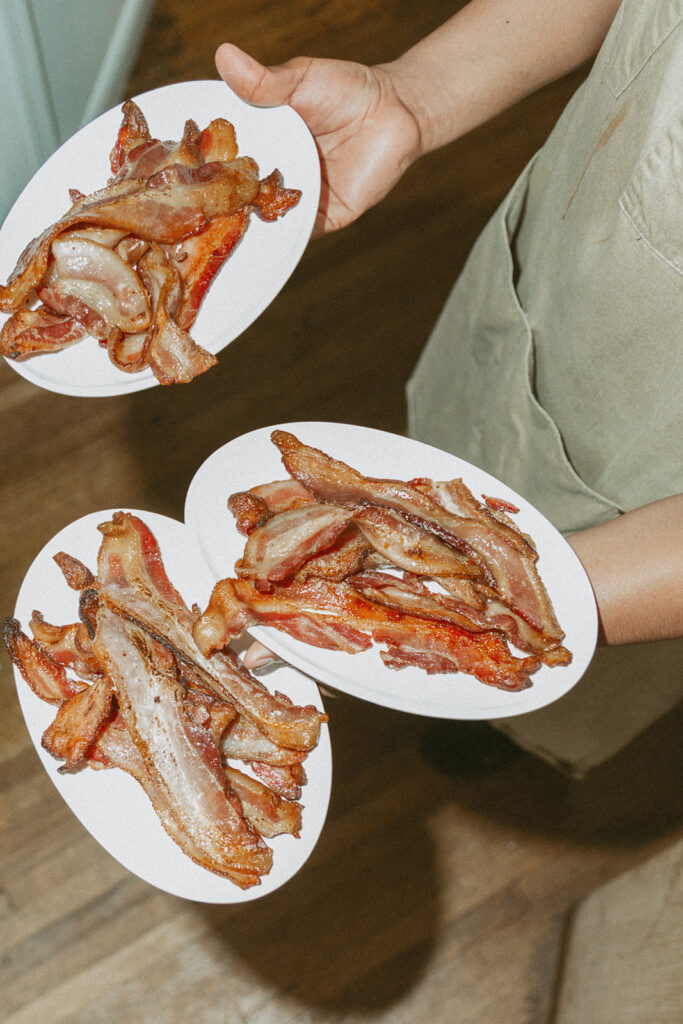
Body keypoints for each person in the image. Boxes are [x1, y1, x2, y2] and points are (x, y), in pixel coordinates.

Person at [215, 0, 683, 774]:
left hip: (643, 537)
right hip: (549, 281)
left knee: (532, 689)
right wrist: (413, 96)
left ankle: (489, 742)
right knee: (445, 448)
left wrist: (479, 603)